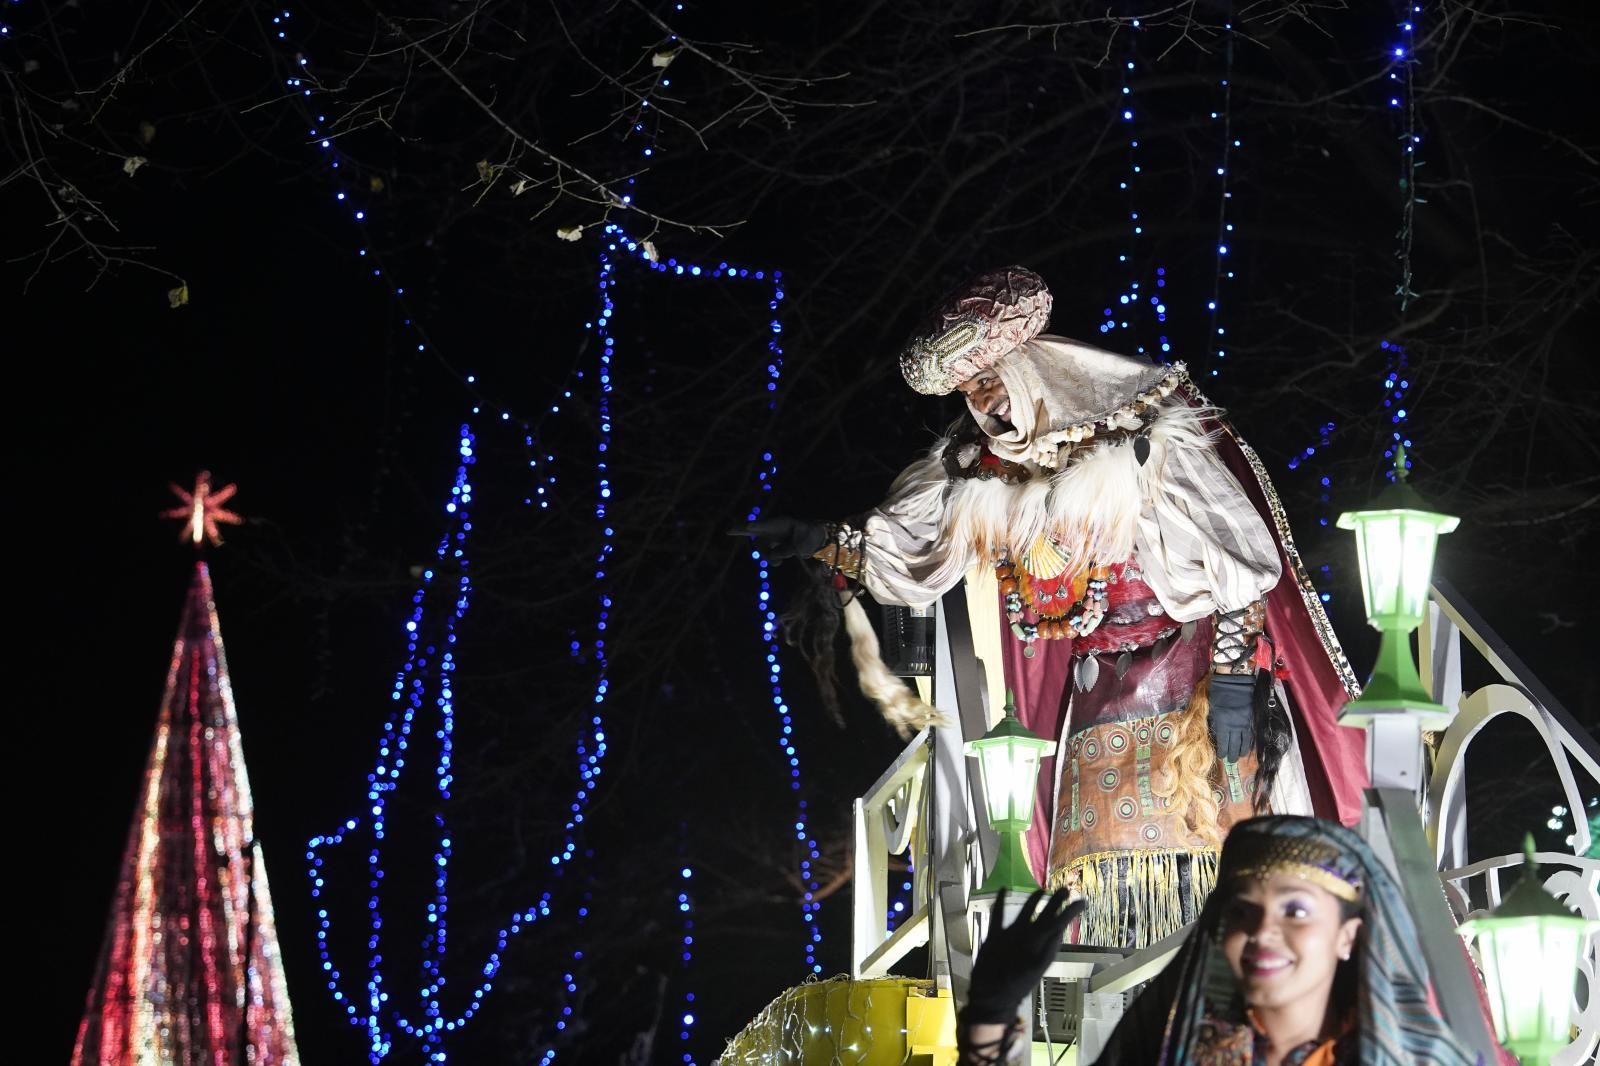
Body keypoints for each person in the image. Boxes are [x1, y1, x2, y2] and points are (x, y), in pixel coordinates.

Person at [744, 267, 1369, 949]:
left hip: (1194, 689)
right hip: (1095, 704)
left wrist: (1231, 681)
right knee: (1103, 895)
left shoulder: (1143, 434)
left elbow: (1239, 562)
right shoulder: (976, 471)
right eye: (969, 393)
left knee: (1224, 874)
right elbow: (908, 552)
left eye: (990, 382)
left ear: (1035, 366)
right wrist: (822, 541)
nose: (984, 405)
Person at [957, 816, 1481, 1066]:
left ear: (1350, 935)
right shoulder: (1173, 1039)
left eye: (1295, 910)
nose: (1263, 931)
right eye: (1243, 910)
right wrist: (990, 1013)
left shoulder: (1420, 1059)